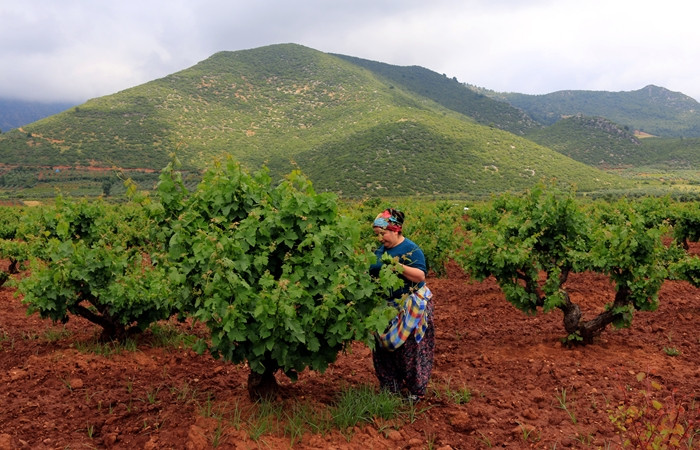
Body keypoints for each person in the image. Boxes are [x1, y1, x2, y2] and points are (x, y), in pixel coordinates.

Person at [369, 208, 434, 402]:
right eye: (377, 235)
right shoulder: (380, 251)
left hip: (410, 305)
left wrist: (397, 265)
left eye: (383, 234)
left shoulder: (411, 249)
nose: (380, 239)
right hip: (386, 307)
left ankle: (416, 391)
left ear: (395, 230)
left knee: (411, 350)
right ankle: (391, 387)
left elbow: (420, 276)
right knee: (382, 349)